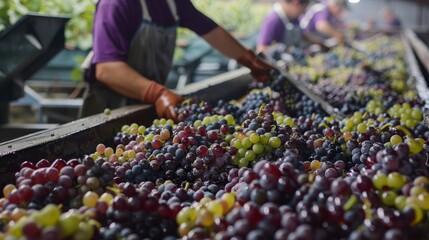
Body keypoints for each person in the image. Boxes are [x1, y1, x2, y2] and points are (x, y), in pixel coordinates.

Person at [80, 0, 272, 121]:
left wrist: (247, 58)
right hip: (107, 109)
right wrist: (157, 93)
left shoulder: (172, 4)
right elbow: (106, 69)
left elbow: (211, 31)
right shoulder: (116, 4)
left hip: (145, 105)